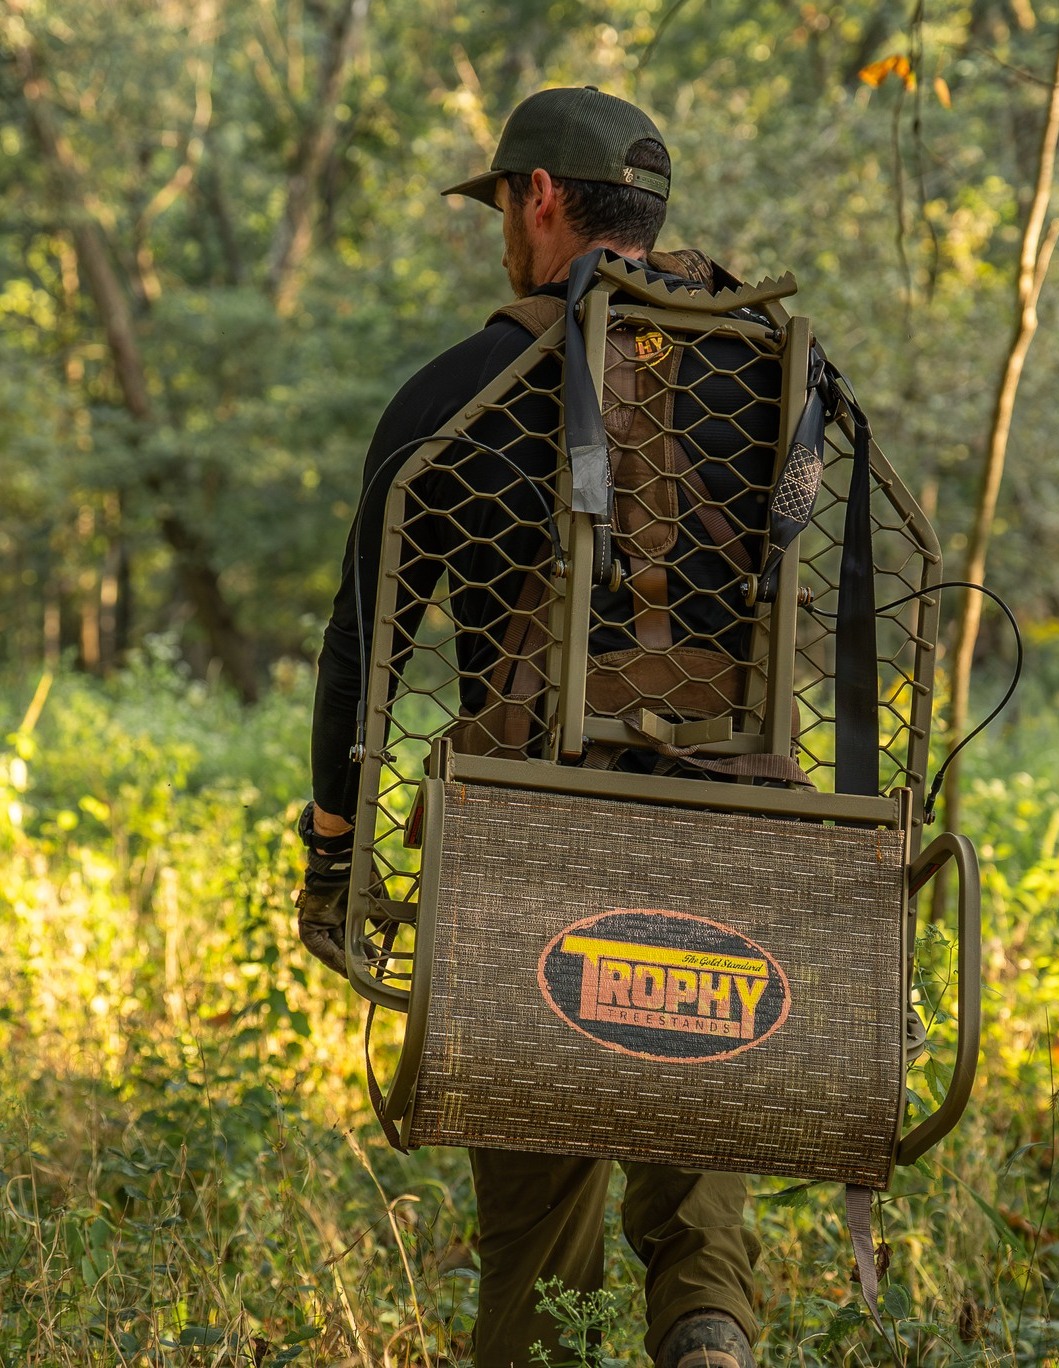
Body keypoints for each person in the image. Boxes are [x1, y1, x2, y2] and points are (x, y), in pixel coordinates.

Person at [298, 86, 763, 1368]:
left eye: (503, 200)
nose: (504, 224)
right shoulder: (777, 376)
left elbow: (366, 653)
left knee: (536, 1237)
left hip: (527, 845)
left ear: (539, 199)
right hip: (731, 840)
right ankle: (711, 1333)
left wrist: (335, 854)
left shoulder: (454, 394)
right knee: (700, 1214)